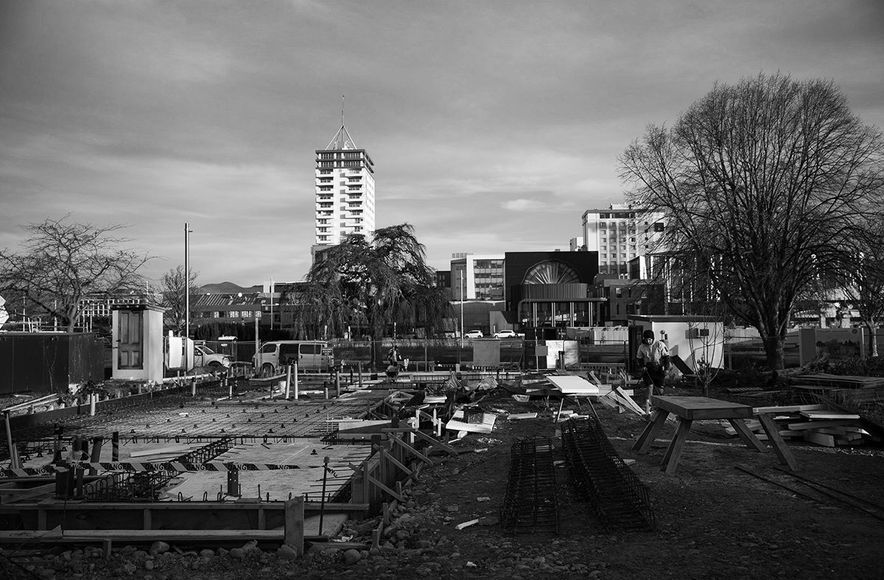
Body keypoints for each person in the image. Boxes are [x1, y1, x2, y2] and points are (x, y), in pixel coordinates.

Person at [636, 329, 670, 413]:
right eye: (646, 339)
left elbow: (666, 357)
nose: (648, 341)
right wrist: (642, 366)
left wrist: (666, 369)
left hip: (658, 368)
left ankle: (661, 404)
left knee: (660, 387)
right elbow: (639, 358)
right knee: (649, 386)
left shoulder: (660, 344)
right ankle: (649, 404)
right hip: (648, 368)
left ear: (652, 338)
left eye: (650, 339)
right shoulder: (642, 346)